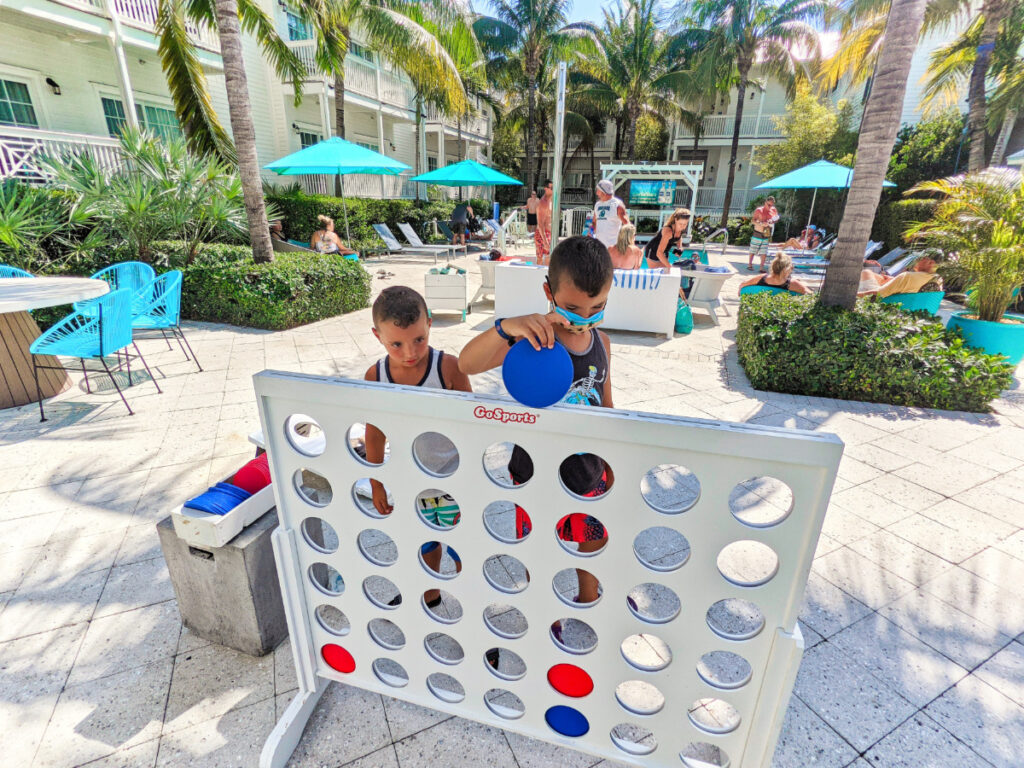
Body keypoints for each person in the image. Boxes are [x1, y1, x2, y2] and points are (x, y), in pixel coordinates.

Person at [460, 236, 615, 612]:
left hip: (588, 470)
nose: (585, 319)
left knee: (593, 542)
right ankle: (540, 609)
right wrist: (506, 327)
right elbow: (467, 363)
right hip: (534, 475)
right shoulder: (531, 340)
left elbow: (608, 406)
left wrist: (613, 461)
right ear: (549, 292)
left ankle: (588, 599)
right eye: (573, 309)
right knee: (539, 551)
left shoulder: (603, 342)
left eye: (598, 307)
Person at [363, 286, 471, 608]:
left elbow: (472, 427)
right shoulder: (376, 376)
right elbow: (375, 433)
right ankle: (430, 593)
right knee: (424, 542)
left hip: (456, 480)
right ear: (377, 336)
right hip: (412, 483)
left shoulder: (448, 367)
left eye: (418, 340)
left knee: (462, 544)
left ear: (429, 325)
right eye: (396, 344)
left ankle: (469, 595)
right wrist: (375, 481)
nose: (410, 352)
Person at [857, 256, 940, 298]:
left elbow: (879, 294)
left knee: (865, 273)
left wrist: (855, 295)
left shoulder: (907, 276)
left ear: (916, 266)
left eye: (923, 258)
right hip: (913, 307)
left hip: (886, 304)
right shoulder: (938, 280)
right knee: (871, 274)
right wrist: (894, 280)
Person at [738, 252, 809, 295]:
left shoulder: (761, 278)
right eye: (791, 267)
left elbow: (742, 285)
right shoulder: (792, 283)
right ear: (787, 269)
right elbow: (810, 295)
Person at [592, 179, 629, 249]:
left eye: (598, 190)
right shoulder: (597, 205)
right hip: (599, 247)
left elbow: (628, 225)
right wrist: (590, 232)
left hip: (614, 248)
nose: (596, 193)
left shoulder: (618, 205)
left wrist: (626, 243)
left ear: (604, 191)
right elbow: (594, 222)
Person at [748, 196, 779, 272]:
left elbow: (776, 218)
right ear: (765, 202)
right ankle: (750, 265)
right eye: (768, 205)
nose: (770, 207)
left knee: (764, 251)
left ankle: (761, 267)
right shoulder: (759, 210)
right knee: (753, 250)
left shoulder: (773, 210)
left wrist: (772, 221)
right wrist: (761, 223)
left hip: (766, 232)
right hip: (758, 232)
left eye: (771, 205)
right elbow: (753, 220)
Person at [535, 180, 553, 264]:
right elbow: (540, 224)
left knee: (549, 258)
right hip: (543, 234)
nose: (553, 189)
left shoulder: (552, 199)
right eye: (551, 188)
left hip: (550, 233)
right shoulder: (543, 203)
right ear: (546, 188)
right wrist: (545, 241)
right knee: (541, 259)